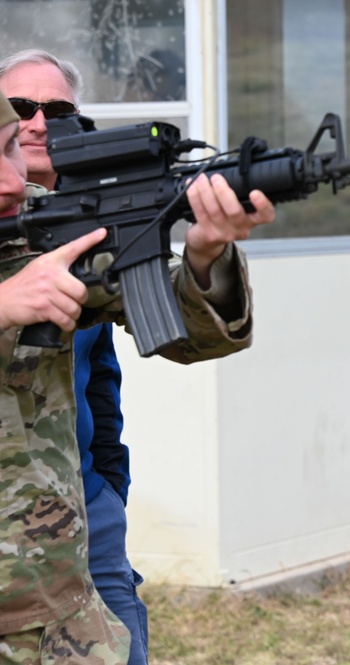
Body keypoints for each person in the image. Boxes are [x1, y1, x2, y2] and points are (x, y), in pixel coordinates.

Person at [0, 90, 275, 663]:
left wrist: (204, 253)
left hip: (54, 600)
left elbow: (179, 329)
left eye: (9, 150)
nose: (9, 180)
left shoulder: (31, 226)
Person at [0, 48, 146, 664]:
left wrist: (109, 485)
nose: (37, 123)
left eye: (54, 109)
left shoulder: (79, 225)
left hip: (81, 506)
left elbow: (100, 381)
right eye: (20, 112)